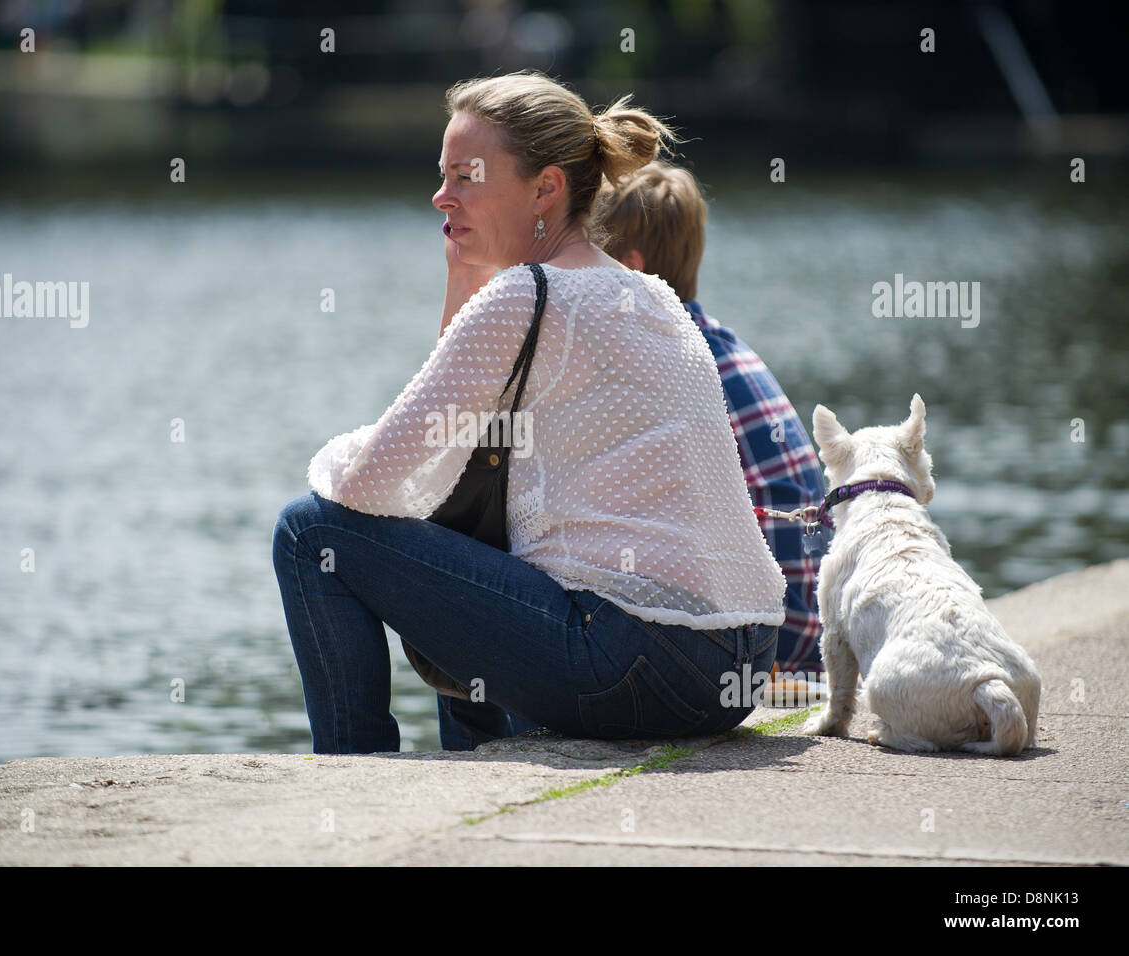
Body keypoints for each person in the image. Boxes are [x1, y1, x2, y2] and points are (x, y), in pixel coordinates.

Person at [272, 71, 786, 754]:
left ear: (546, 187)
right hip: (739, 666)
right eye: (442, 175)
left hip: (639, 662)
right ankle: (473, 758)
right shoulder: (650, 294)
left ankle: (355, 773)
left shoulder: (527, 295)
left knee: (308, 531)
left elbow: (371, 482)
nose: (441, 196)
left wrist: (344, 457)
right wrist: (464, 281)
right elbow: (461, 460)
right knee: (478, 537)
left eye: (465, 177)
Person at [593, 162, 828, 679]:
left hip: (767, 642)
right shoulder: (717, 342)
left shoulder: (665, 362)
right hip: (812, 629)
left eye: (591, 258)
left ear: (628, 270)